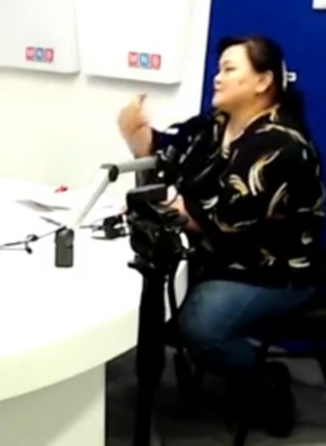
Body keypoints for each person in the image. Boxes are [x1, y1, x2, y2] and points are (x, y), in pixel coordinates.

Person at [118, 35, 324, 437]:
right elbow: (168, 153)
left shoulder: (281, 144)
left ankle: (267, 386)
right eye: (219, 68)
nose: (218, 77)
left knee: (202, 326)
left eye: (229, 69)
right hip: (219, 257)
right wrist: (138, 134)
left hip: (275, 270)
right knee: (152, 298)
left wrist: (167, 207)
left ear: (263, 81)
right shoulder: (215, 126)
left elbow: (227, 219)